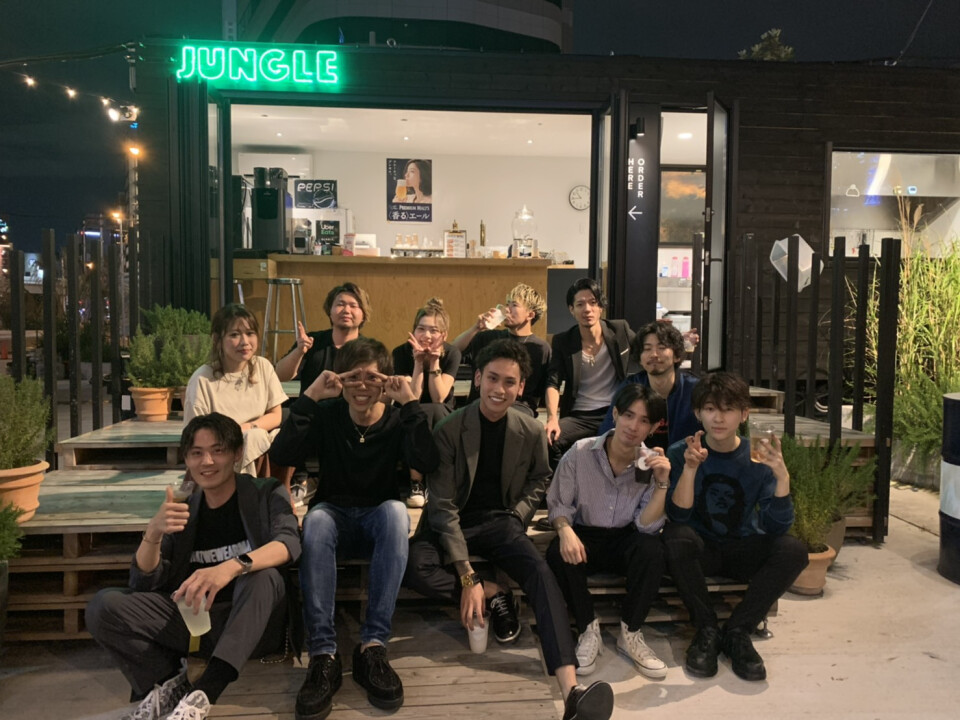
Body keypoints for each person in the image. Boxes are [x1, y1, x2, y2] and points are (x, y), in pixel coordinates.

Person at [405, 339, 614, 720]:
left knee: (540, 572)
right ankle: (493, 591)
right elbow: (443, 506)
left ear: (521, 388)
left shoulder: (530, 430)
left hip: (500, 520)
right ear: (478, 378)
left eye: (509, 382)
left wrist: (518, 514)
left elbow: (540, 477)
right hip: (450, 521)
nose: (499, 389)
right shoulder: (450, 429)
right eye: (492, 378)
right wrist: (469, 577)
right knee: (416, 566)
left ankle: (571, 690)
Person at [85, 413, 301, 720]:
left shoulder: (265, 491)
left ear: (237, 453)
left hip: (254, 624)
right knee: (104, 606)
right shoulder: (184, 505)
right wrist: (153, 533)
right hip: (197, 624)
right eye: (197, 453)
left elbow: (289, 543)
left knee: (262, 576)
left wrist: (231, 567)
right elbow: (145, 583)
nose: (207, 462)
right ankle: (169, 681)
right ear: (186, 459)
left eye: (218, 450)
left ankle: (205, 693)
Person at [269, 338, 439, 719]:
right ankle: (323, 654)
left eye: (371, 377)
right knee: (316, 520)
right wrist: (310, 397)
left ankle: (373, 646)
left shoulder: (396, 419)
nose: (362, 385)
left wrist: (411, 404)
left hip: (378, 516)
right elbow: (281, 454)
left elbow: (427, 461)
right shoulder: (328, 414)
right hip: (334, 513)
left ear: (386, 381)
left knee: (396, 513)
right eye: (354, 377)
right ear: (341, 379)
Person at [663, 371, 808, 682]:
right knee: (676, 537)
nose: (718, 418)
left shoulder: (758, 457)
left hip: (741, 548)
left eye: (728, 409)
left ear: (744, 414)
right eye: (710, 409)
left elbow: (776, 526)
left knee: (793, 550)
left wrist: (782, 478)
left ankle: (738, 631)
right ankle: (706, 629)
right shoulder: (680, 452)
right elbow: (678, 516)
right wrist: (690, 469)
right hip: (701, 551)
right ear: (698, 413)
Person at [546, 384, 670, 679]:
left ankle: (631, 632)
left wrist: (662, 483)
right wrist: (564, 530)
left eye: (644, 420)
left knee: (652, 550)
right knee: (557, 553)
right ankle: (588, 628)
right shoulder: (580, 452)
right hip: (585, 534)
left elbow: (646, 525)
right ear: (615, 414)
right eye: (628, 415)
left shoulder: (649, 462)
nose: (633, 426)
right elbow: (559, 504)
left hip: (625, 536)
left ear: (653, 427)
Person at [183, 304, 289, 479]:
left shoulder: (263, 366)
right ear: (217, 339)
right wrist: (238, 436)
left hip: (258, 445)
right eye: (234, 335)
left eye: (250, 333)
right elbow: (197, 433)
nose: (245, 342)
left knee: (274, 436)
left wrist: (247, 429)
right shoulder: (202, 379)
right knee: (254, 438)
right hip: (219, 451)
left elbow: (275, 415)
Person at [545, 277, 635, 464]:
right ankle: (567, 480)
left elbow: (647, 347)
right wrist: (552, 418)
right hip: (580, 415)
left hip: (614, 412)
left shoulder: (620, 330)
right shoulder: (563, 341)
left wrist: (680, 341)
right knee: (548, 439)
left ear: (601, 307)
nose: (587, 309)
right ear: (572, 310)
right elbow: (553, 383)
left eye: (593, 303)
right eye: (580, 304)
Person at [391, 297, 462, 507]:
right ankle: (417, 483)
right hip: (410, 413)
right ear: (413, 331)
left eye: (434, 330)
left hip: (442, 414)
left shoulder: (452, 353)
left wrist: (434, 361)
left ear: (444, 335)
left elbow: (439, 396)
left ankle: (431, 482)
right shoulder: (400, 353)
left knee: (434, 409)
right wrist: (418, 362)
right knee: (416, 413)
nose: (427, 335)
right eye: (421, 329)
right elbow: (412, 398)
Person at [597, 321, 701, 451]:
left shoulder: (695, 390)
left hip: (685, 460)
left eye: (661, 347)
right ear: (640, 359)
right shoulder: (630, 388)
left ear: (677, 356)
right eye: (647, 349)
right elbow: (607, 432)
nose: (654, 354)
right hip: (638, 460)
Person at [452, 282, 551, 416]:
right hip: (480, 405)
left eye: (514, 305)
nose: (507, 309)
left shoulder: (541, 348)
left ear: (530, 315)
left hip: (518, 409)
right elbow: (452, 351)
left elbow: (540, 391)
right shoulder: (487, 337)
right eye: (507, 304)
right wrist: (476, 328)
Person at [274, 282, 370, 395]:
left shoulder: (370, 350)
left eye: (353, 306)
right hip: (311, 406)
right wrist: (299, 351)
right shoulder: (311, 341)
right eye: (340, 304)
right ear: (330, 311)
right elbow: (279, 376)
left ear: (363, 315)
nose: (346, 310)